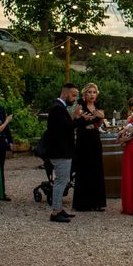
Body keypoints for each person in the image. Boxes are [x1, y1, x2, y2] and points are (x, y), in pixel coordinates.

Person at [45, 83, 88, 223]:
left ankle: (59, 208)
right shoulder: (58, 108)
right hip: (60, 151)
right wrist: (79, 118)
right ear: (65, 93)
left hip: (61, 149)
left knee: (62, 180)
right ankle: (55, 212)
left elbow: (65, 125)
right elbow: (68, 127)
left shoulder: (59, 107)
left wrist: (74, 117)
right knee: (61, 181)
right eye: (74, 95)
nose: (75, 99)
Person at [72, 83, 106, 212]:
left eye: (94, 92)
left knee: (96, 168)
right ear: (85, 94)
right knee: (84, 169)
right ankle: (83, 203)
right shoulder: (80, 106)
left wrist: (99, 119)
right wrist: (84, 120)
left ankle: (97, 202)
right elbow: (75, 123)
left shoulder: (98, 107)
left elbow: (100, 122)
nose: (92, 95)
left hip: (95, 139)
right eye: (89, 92)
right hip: (83, 140)